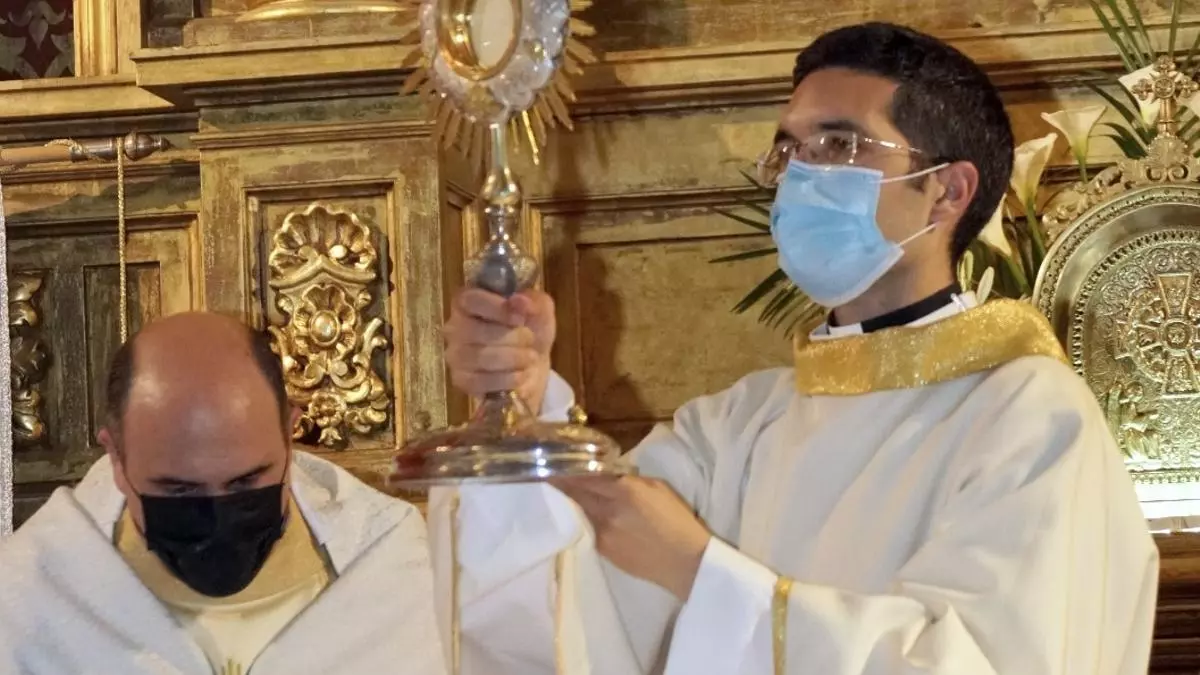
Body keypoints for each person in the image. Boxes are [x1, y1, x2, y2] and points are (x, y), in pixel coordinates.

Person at [427, 22, 1159, 675]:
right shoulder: (736, 427)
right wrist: (521, 408)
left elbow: (989, 663)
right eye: (789, 148)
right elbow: (559, 609)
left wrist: (701, 574)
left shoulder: (1030, 416)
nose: (799, 176)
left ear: (947, 191)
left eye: (838, 144)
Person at [0, 313, 446, 675]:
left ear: (290, 434)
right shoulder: (29, 598)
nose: (218, 517)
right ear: (116, 456)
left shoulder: (395, 574)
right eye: (178, 489)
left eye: (246, 482)